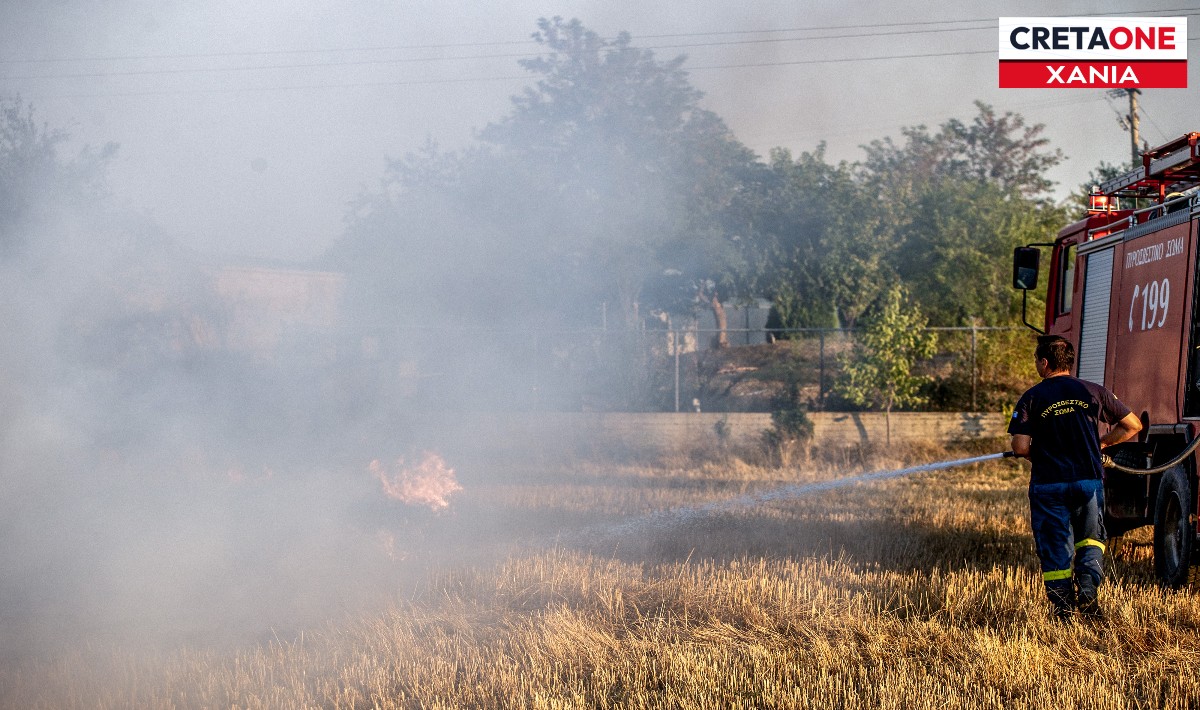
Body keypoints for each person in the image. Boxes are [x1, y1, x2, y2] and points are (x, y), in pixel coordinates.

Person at [1008, 334, 1143, 621]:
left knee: (1055, 546)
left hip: (1049, 485)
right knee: (1091, 540)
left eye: (1036, 361)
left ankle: (1063, 609)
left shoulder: (1032, 397)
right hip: (1088, 482)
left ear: (1044, 363)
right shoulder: (1094, 391)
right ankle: (1088, 591)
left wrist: (1036, 453)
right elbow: (1132, 425)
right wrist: (1102, 443)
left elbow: (1020, 447)